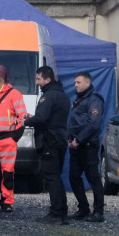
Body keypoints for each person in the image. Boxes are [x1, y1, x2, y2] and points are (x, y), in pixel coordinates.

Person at [23, 65, 71, 224]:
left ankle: (56, 214)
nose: (37, 82)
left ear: (47, 79)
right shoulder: (62, 95)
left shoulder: (48, 96)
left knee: (51, 177)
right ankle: (62, 212)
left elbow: (42, 118)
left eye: (38, 79)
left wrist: (26, 121)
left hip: (50, 140)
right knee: (56, 176)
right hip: (60, 139)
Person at [0, 64, 27, 213]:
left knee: (8, 172)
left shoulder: (14, 94)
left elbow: (23, 117)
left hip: (7, 139)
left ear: (1, 77)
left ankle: (7, 201)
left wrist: (15, 136)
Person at [67, 71, 106, 223]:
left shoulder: (94, 100)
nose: (75, 85)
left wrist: (79, 139)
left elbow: (94, 124)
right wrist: (70, 139)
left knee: (93, 178)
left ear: (87, 83)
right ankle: (83, 208)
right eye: (75, 82)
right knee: (74, 176)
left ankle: (98, 212)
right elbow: (75, 123)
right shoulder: (79, 100)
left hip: (88, 145)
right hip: (76, 146)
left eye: (78, 82)